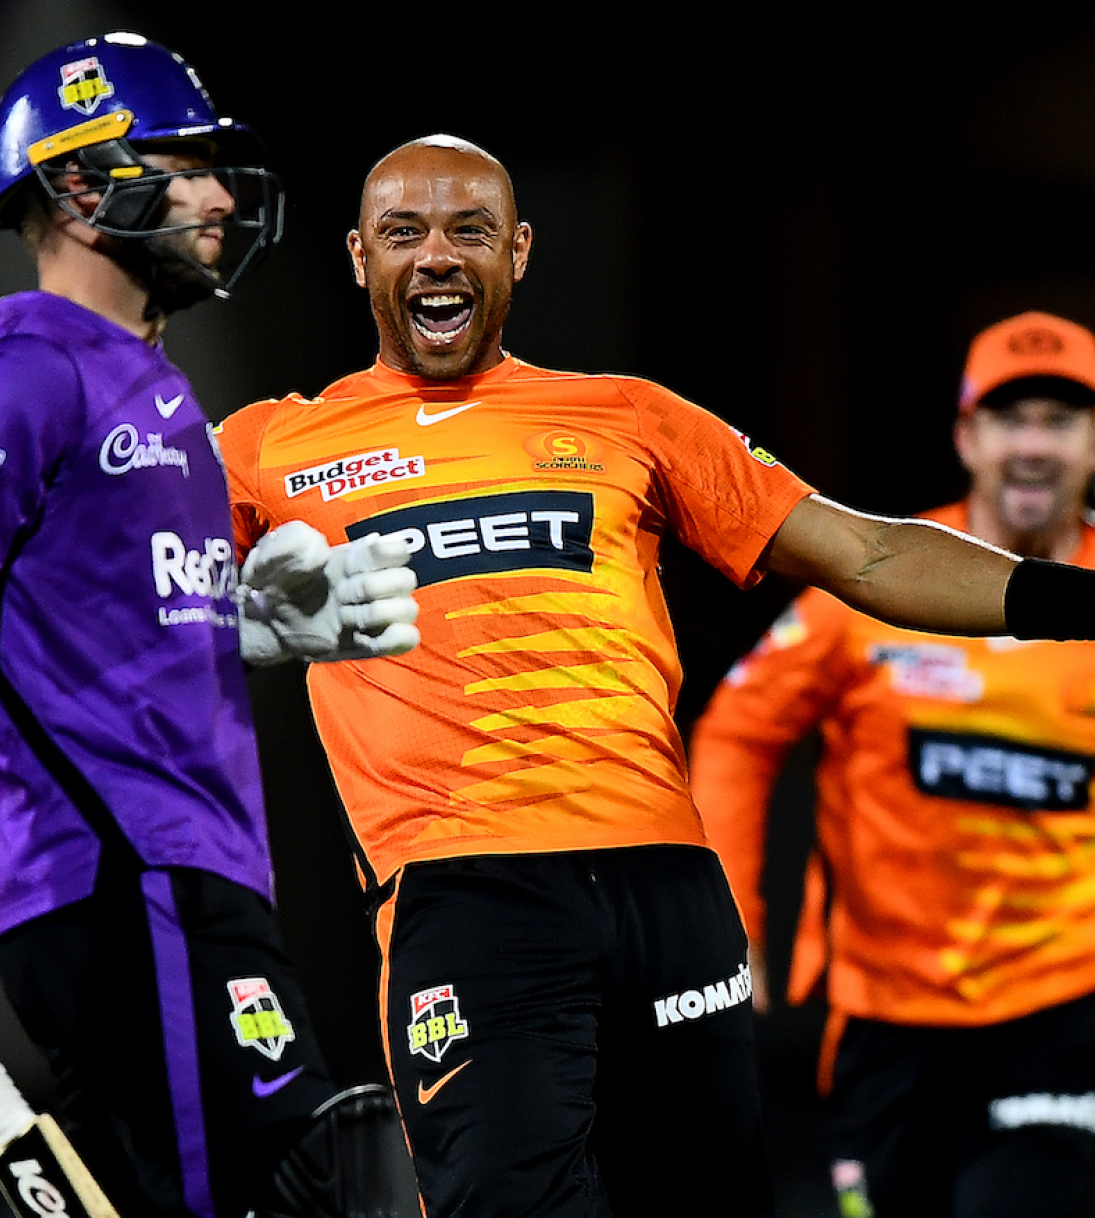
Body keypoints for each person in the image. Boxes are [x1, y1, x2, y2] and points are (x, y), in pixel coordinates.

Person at [209, 136, 1095, 1218]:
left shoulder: (630, 415)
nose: (437, 257)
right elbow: (107, 591)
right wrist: (229, 617)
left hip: (668, 889)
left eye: (470, 231)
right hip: (470, 895)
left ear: (520, 252)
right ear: (356, 257)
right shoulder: (266, 446)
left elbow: (863, 552)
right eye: (405, 233)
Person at [0, 31, 423, 1218]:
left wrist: (236, 622)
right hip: (120, 876)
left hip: (179, 877)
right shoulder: (26, 372)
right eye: (182, 162)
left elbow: (66, 612)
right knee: (289, 1193)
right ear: (81, 184)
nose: (213, 194)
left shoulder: (152, 384)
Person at [687, 311, 1095, 1218]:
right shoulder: (887, 579)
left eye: (1060, 420)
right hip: (885, 1023)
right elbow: (738, 732)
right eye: (1010, 418)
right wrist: (731, 916)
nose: (1034, 446)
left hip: (1061, 1009)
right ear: (966, 435)